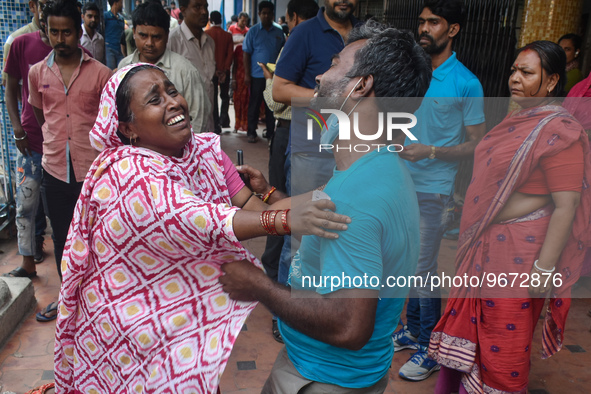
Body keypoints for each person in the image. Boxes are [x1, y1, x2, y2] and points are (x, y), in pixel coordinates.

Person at [53, 62, 350, 392]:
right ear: (128, 128)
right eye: (154, 100)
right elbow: (195, 217)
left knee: (194, 380)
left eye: (172, 90)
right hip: (131, 325)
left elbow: (256, 210)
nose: (173, 102)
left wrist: (339, 187)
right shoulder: (127, 172)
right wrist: (282, 220)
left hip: (181, 321)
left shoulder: (204, 153)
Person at [220, 21, 432, 393]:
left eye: (335, 64)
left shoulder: (360, 196)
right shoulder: (374, 166)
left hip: (325, 379)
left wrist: (259, 286)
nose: (319, 75)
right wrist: (265, 192)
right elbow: (312, 210)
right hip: (328, 370)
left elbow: (349, 327)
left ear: (361, 85)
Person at [429, 40, 591, 394]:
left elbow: (566, 205)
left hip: (521, 253)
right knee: (472, 327)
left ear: (551, 82)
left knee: (505, 335)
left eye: (527, 72)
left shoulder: (560, 130)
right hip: (487, 245)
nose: (515, 78)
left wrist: (544, 269)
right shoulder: (517, 118)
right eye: (514, 70)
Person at [393, 0, 486, 382]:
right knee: (407, 263)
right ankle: (414, 329)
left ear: (453, 30)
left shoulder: (466, 82)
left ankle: (430, 347)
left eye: (434, 22)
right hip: (399, 182)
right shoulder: (410, 73)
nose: (425, 28)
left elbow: (477, 144)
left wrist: (431, 151)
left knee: (422, 268)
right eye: (422, 21)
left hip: (434, 189)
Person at [28, 0, 112, 322]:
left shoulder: (101, 74)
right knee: (63, 238)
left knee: (98, 238)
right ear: (45, 31)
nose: (60, 38)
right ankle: (69, 305)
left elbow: (108, 122)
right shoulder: (38, 73)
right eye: (54, 32)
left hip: (92, 173)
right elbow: (41, 114)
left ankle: (99, 304)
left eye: (67, 32)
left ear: (79, 32)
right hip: (54, 171)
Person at [257, 0, 319, 343]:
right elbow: (279, 98)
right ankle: (285, 311)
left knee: (298, 214)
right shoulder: (300, 39)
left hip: (308, 139)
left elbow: (275, 98)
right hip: (293, 137)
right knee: (291, 219)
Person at [2, 6, 52, 279]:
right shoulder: (20, 42)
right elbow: (10, 88)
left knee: (60, 209)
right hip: (30, 141)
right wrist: (17, 129)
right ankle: (27, 263)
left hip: (60, 146)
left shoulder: (74, 49)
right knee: (26, 205)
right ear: (34, 5)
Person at [119, 1, 210, 133]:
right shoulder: (124, 67)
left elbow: (199, 117)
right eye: (143, 36)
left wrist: (187, 148)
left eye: (156, 37)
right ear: (134, 33)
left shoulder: (185, 71)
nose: (149, 43)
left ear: (167, 36)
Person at [168, 0, 216, 132]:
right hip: (183, 122)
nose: (204, 12)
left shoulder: (209, 42)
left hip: (207, 119)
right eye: (197, 7)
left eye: (205, 7)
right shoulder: (172, 41)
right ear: (183, 10)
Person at [242, 1, 285, 143]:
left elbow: (283, 53)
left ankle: (270, 134)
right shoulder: (253, 32)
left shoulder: (279, 31)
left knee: (271, 106)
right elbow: (246, 54)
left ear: (273, 15)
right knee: (254, 104)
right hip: (256, 76)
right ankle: (251, 132)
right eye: (264, 13)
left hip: (274, 76)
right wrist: (247, 74)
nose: (266, 16)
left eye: (269, 13)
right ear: (259, 14)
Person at [2, 0, 43, 85]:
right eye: (44, 5)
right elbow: (9, 86)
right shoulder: (15, 41)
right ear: (32, 6)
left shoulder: (66, 38)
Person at [206, 10, 233, 134]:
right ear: (221, 20)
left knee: (213, 96)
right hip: (224, 70)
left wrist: (214, 69)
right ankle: (224, 119)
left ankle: (216, 123)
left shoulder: (206, 34)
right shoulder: (227, 35)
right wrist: (225, 70)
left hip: (212, 71)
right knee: (225, 95)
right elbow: (230, 54)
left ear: (211, 20)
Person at [104, 0, 125, 69]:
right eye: (121, 3)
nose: (122, 5)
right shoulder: (106, 16)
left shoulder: (121, 19)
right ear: (115, 3)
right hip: (109, 49)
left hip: (120, 50)